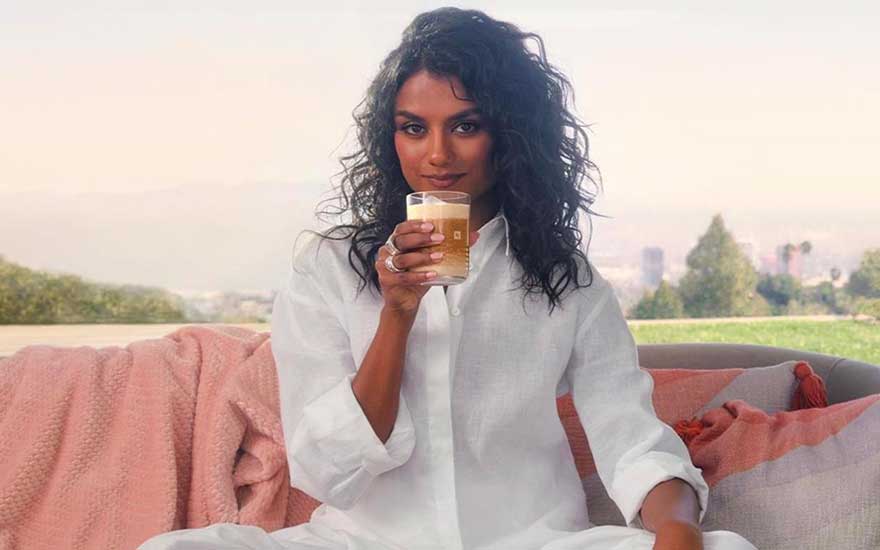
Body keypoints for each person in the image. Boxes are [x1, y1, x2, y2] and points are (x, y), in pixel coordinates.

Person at [141, 8, 757, 550]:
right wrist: (397, 314)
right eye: (414, 127)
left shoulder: (566, 281)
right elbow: (326, 471)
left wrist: (679, 533)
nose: (437, 154)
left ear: (511, 137)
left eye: (465, 125)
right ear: (393, 138)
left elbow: (631, 439)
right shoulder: (329, 267)